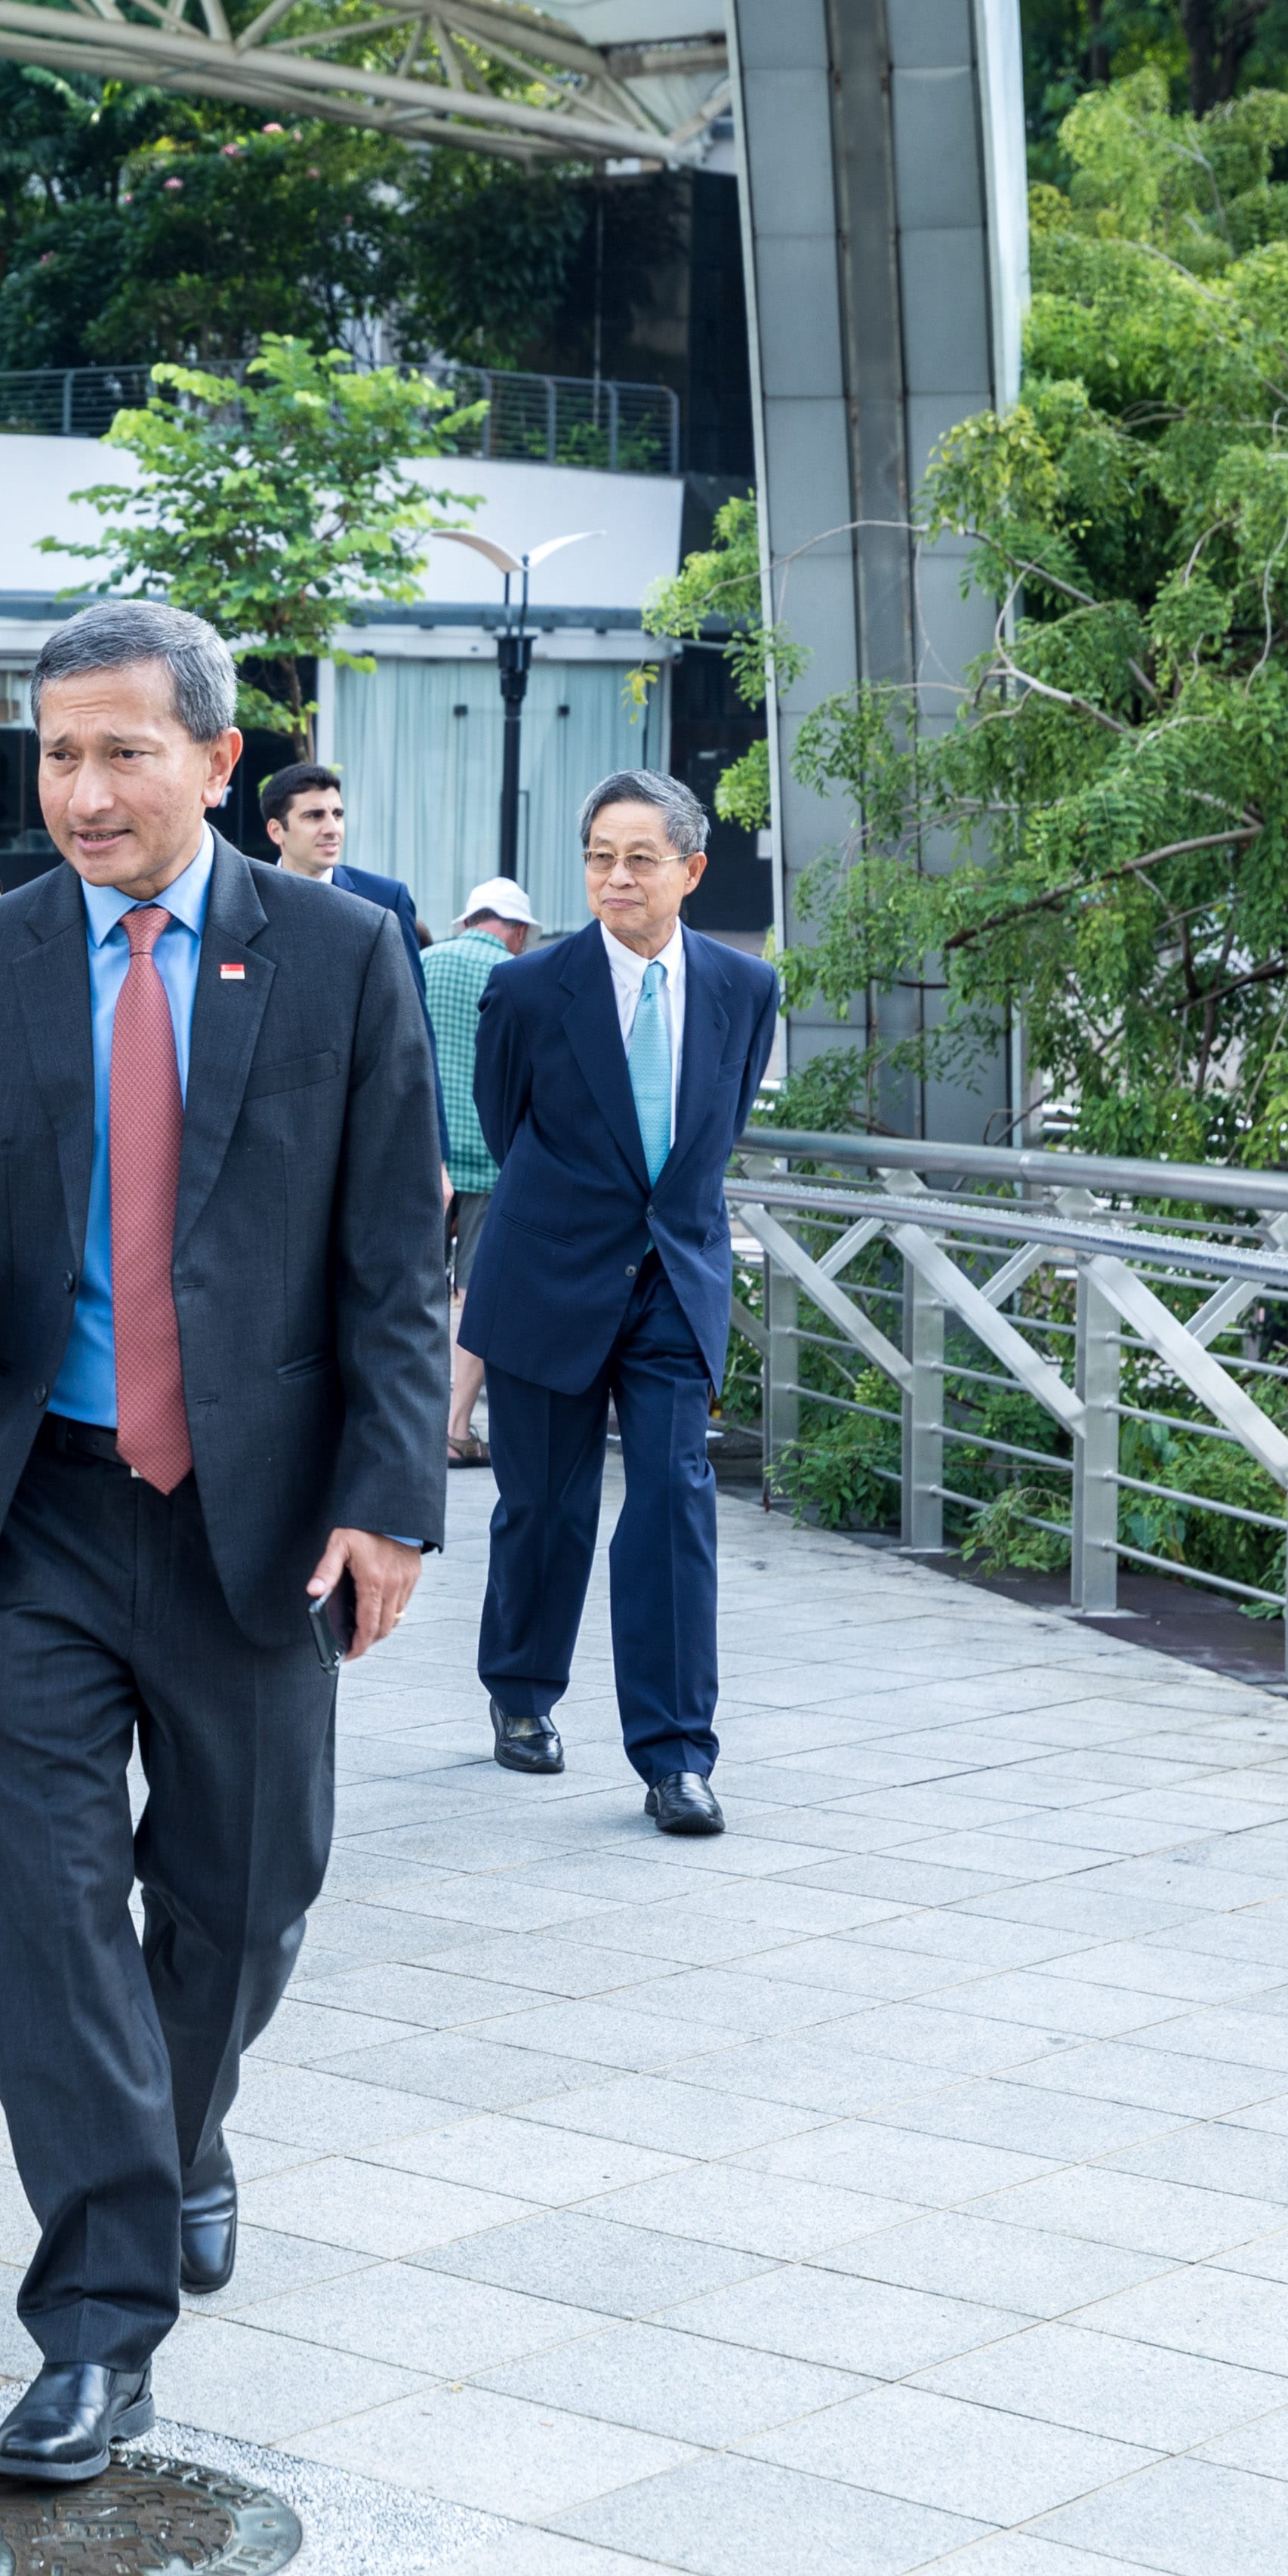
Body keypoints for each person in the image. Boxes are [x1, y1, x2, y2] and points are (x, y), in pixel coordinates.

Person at [0, 600, 448, 2484]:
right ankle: (100, 2323)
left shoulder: (345, 962)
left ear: (214, 762)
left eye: (122, 752)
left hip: (251, 1524)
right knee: (42, 1915)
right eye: (55, 754)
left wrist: (390, 1502)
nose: (84, 790)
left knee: (247, 1892)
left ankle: (183, 2131)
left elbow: (393, 1260)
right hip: (35, 1503)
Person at [458, 774, 778, 1832]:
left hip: (674, 1280)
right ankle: (521, 1689)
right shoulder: (528, 987)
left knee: (675, 1504)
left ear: (690, 870)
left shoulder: (743, 988)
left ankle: (677, 1757)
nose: (615, 877)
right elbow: (507, 1129)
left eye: (640, 858)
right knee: (545, 1505)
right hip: (548, 1269)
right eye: (599, 855)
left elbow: (716, 1128)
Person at [427, 877, 534, 1467]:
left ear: (470, 920)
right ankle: (455, 1428)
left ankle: (402, 1423)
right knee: (477, 1293)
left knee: (408, 1289)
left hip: (422, 1155)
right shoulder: (519, 976)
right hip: (496, 1160)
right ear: (516, 931)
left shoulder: (421, 961)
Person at [260, 760, 422, 992]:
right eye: (314, 816)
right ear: (276, 831)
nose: (332, 828)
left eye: (337, 814)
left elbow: (412, 1009)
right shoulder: (249, 900)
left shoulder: (386, 900)